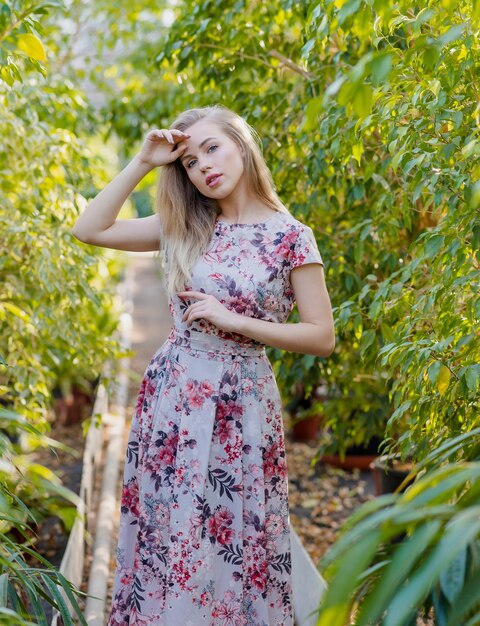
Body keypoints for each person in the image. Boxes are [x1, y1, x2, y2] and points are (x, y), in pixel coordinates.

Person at [72, 104, 335, 625]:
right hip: (175, 397)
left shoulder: (290, 236)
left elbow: (321, 336)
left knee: (233, 531)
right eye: (190, 162)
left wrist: (237, 322)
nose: (204, 167)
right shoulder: (184, 224)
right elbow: (89, 228)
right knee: (171, 529)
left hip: (243, 403)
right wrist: (145, 163)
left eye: (212, 148)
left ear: (241, 143)